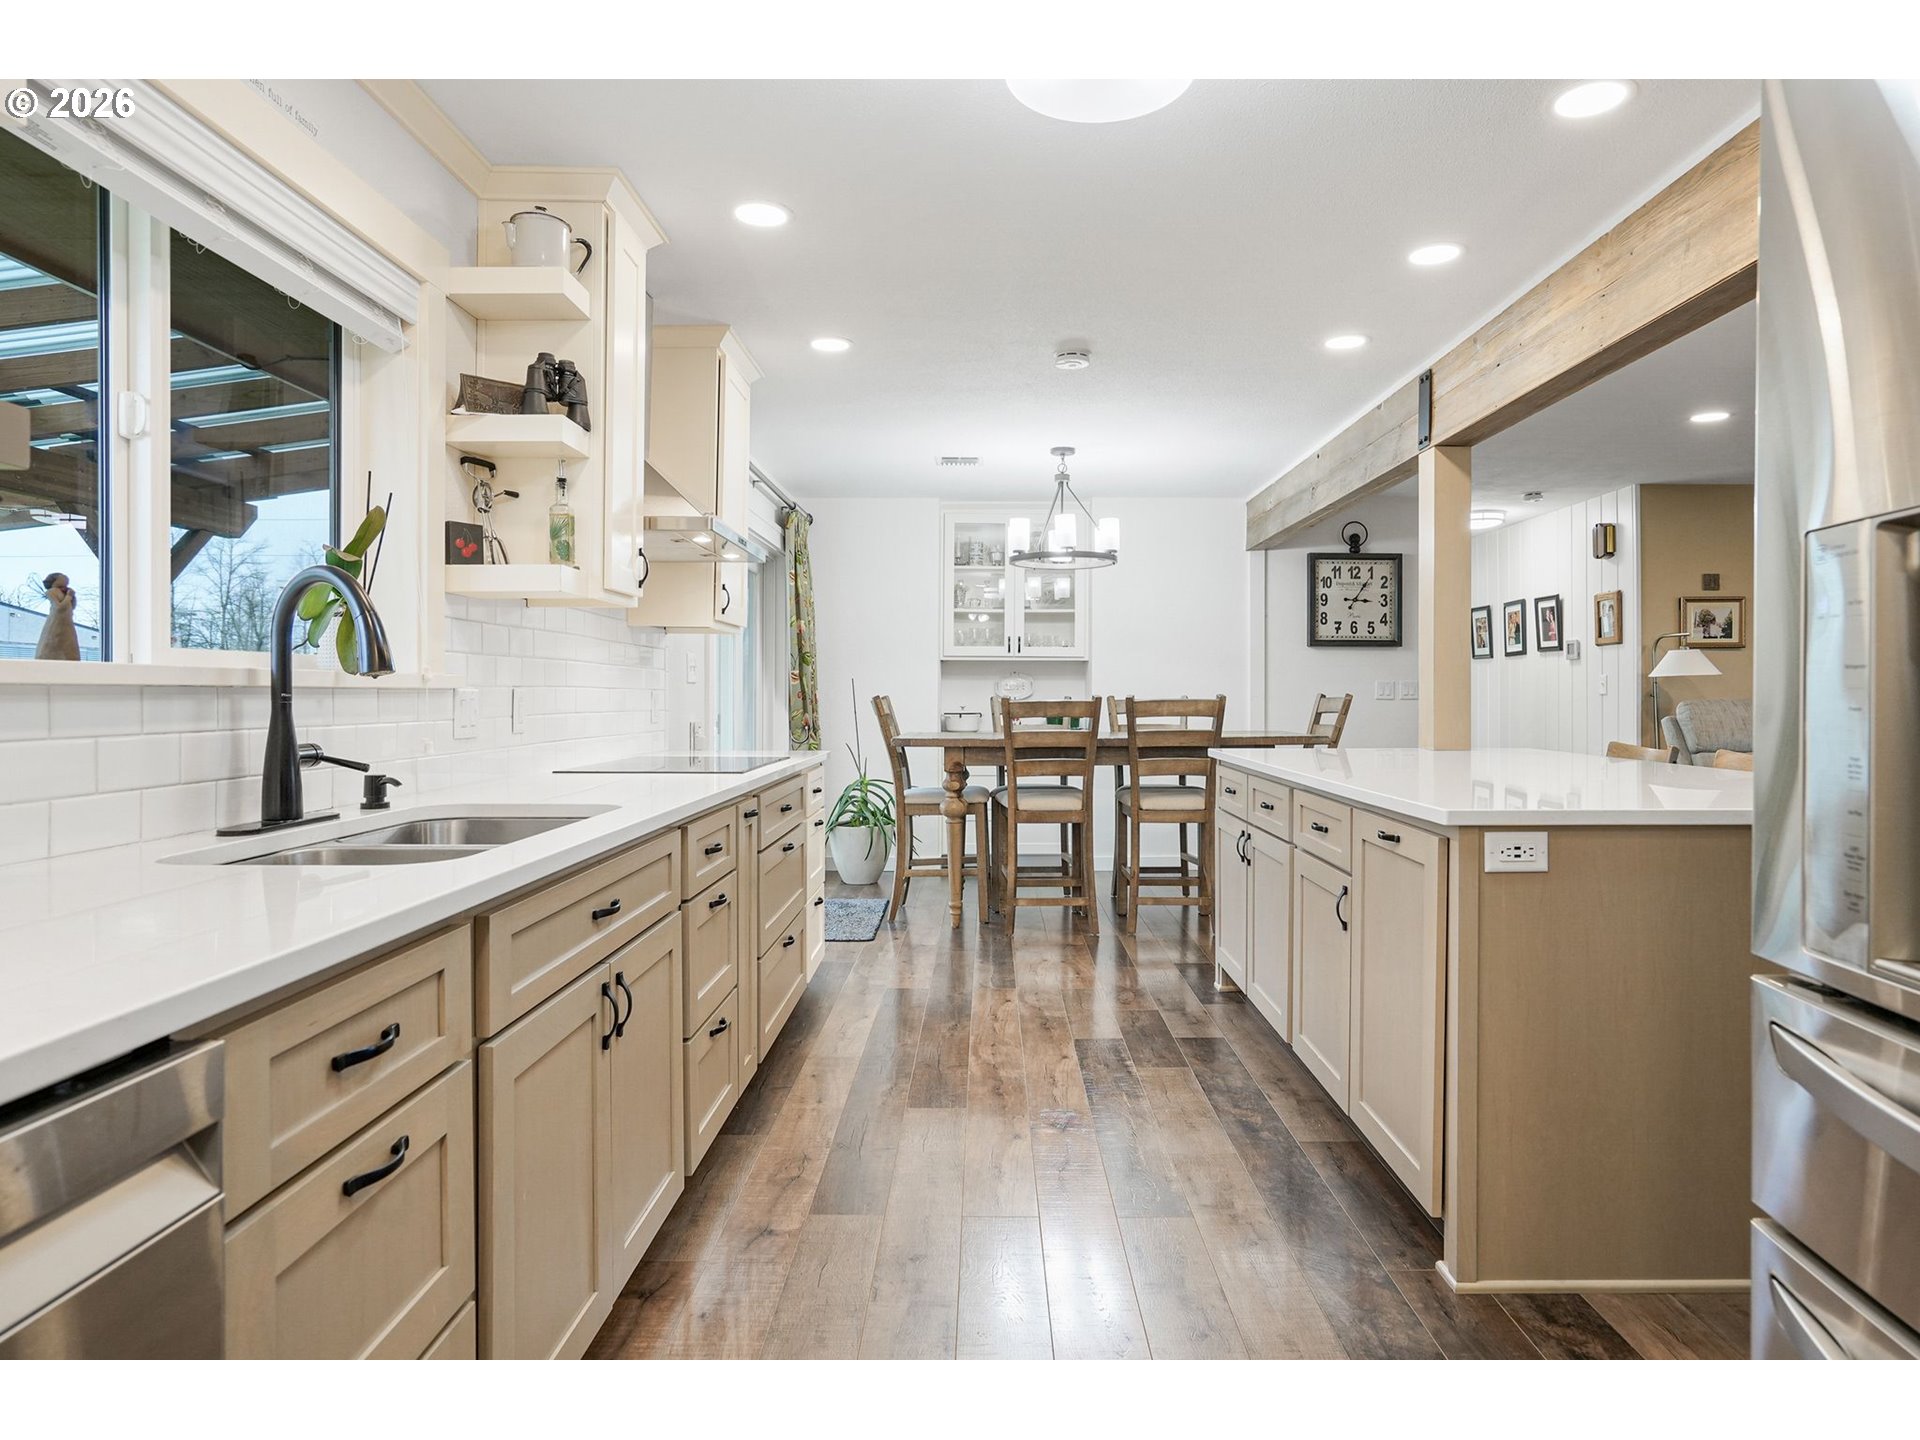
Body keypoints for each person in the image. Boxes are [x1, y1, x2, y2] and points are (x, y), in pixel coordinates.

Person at [34, 572, 81, 661]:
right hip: (57, 621)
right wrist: (68, 596)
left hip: (67, 622)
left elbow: (72, 607)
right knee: (53, 640)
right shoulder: (51, 592)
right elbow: (59, 608)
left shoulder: (64, 592)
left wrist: (72, 597)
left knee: (68, 643)